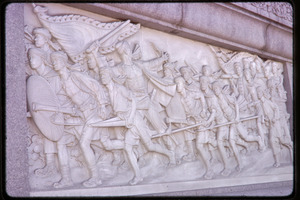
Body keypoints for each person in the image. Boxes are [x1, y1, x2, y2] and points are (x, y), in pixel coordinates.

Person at [51, 51, 124, 188]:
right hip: (82, 115)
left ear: (63, 62)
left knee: (85, 143)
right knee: (63, 141)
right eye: (53, 61)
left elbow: (95, 87)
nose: (54, 63)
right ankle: (66, 178)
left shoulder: (75, 76)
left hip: (94, 112)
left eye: (56, 60)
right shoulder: (61, 81)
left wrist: (102, 106)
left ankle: (95, 178)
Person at [100, 66, 176, 185]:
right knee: (128, 147)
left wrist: (130, 117)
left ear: (109, 76)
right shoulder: (107, 91)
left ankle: (170, 154)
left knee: (150, 146)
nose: (102, 77)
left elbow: (133, 101)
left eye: (104, 75)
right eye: (101, 75)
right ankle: (138, 176)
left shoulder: (119, 88)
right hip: (126, 122)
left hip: (135, 121)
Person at [256, 86, 293, 167]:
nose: (258, 94)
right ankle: (278, 161)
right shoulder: (260, 104)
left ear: (262, 93)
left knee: (282, 140)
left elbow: (276, 108)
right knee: (273, 141)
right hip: (271, 125)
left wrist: (275, 118)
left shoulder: (267, 102)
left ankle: (291, 145)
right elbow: (263, 114)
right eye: (257, 92)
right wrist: (265, 119)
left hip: (276, 124)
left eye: (259, 92)